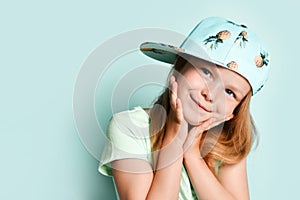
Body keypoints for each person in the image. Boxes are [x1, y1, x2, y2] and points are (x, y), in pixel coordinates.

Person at [98, 16, 270, 199]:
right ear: (179, 67)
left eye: (229, 92)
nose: (210, 94)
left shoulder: (228, 144)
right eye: (206, 72)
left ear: (234, 112)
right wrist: (174, 139)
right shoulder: (128, 127)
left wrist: (192, 154)